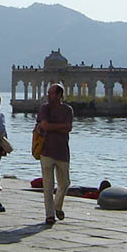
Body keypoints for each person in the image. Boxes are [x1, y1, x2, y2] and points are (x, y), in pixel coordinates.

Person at [38, 83, 74, 226]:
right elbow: (45, 125)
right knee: (48, 185)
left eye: (51, 93)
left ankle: (57, 206)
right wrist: (60, 126)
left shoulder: (67, 110)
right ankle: (49, 215)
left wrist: (52, 127)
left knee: (65, 183)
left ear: (59, 95)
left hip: (62, 151)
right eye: (48, 92)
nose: (48, 95)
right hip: (46, 150)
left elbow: (68, 128)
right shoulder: (44, 108)